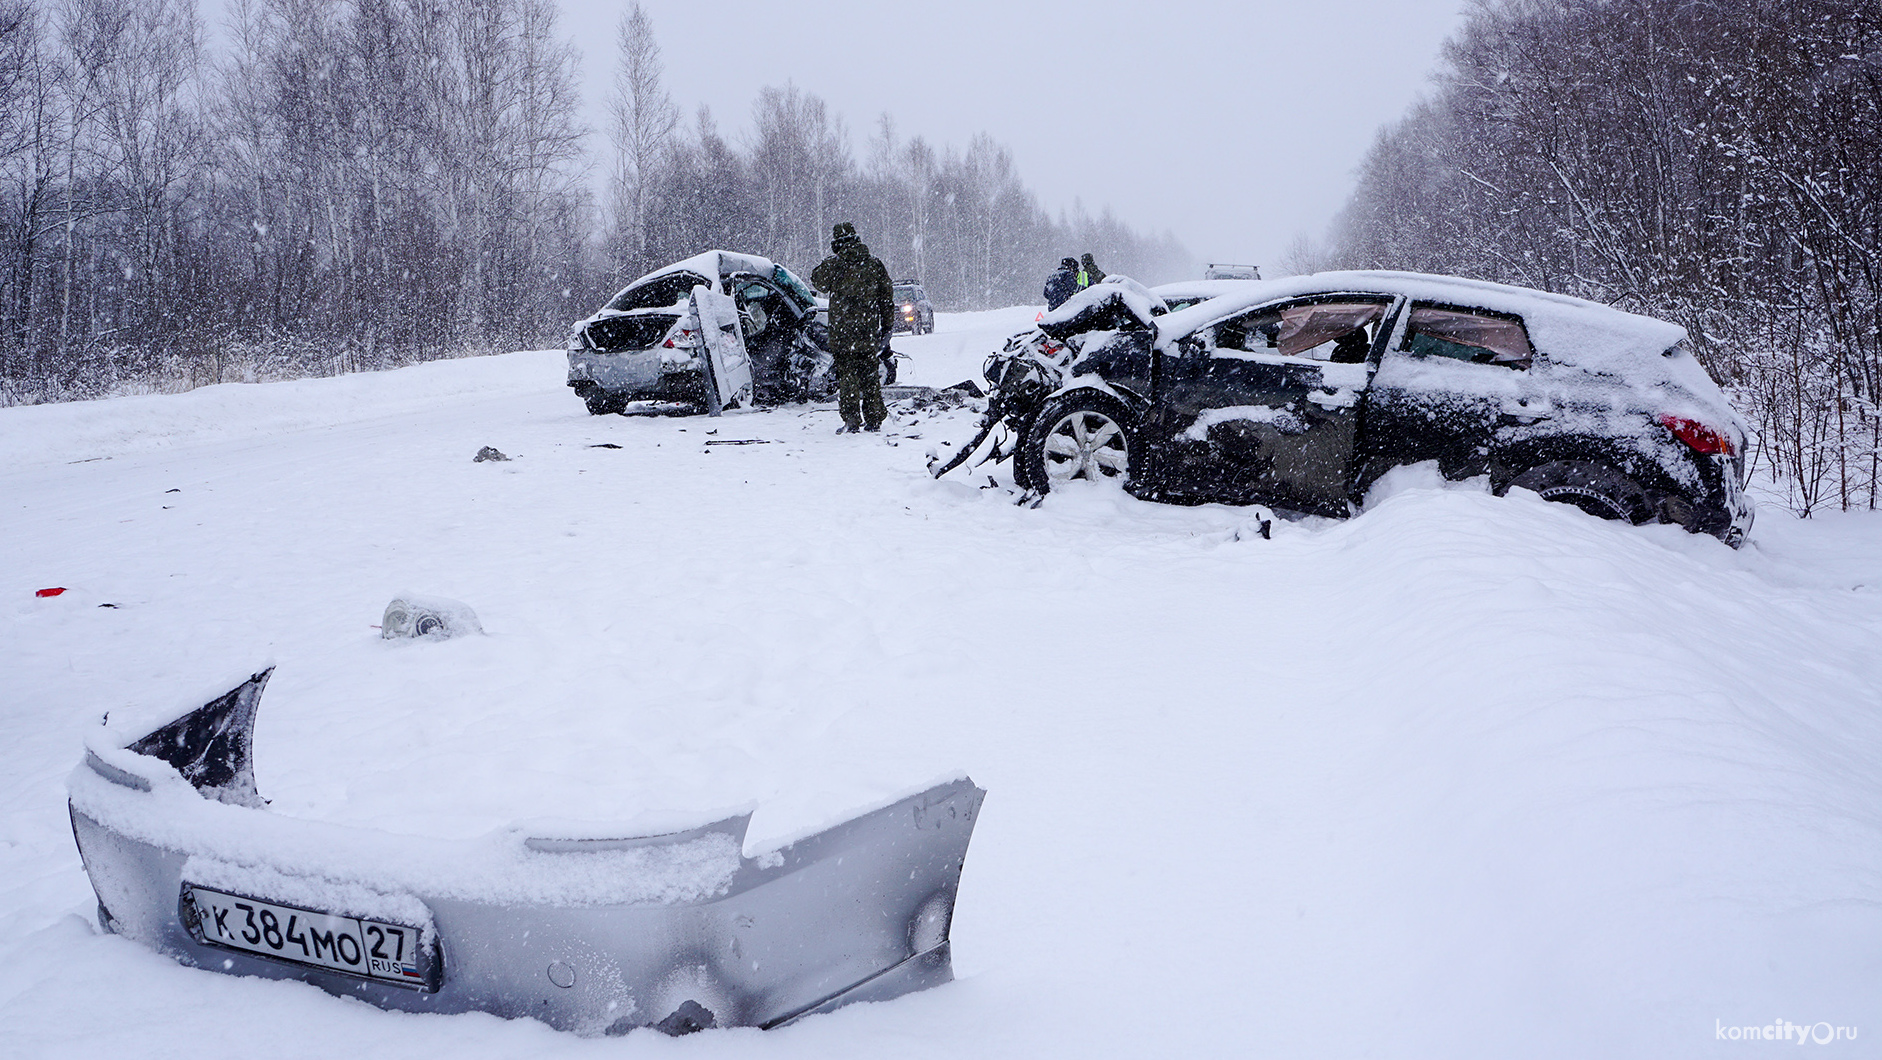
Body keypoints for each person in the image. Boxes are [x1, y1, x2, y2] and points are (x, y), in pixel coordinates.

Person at [811, 222, 895, 433]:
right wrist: (887, 327)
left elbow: (817, 282)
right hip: (868, 332)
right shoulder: (874, 265)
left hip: (842, 334)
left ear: (836, 243)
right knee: (870, 376)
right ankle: (874, 418)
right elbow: (886, 299)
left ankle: (851, 419)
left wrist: (832, 260)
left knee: (847, 377)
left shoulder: (834, 265)